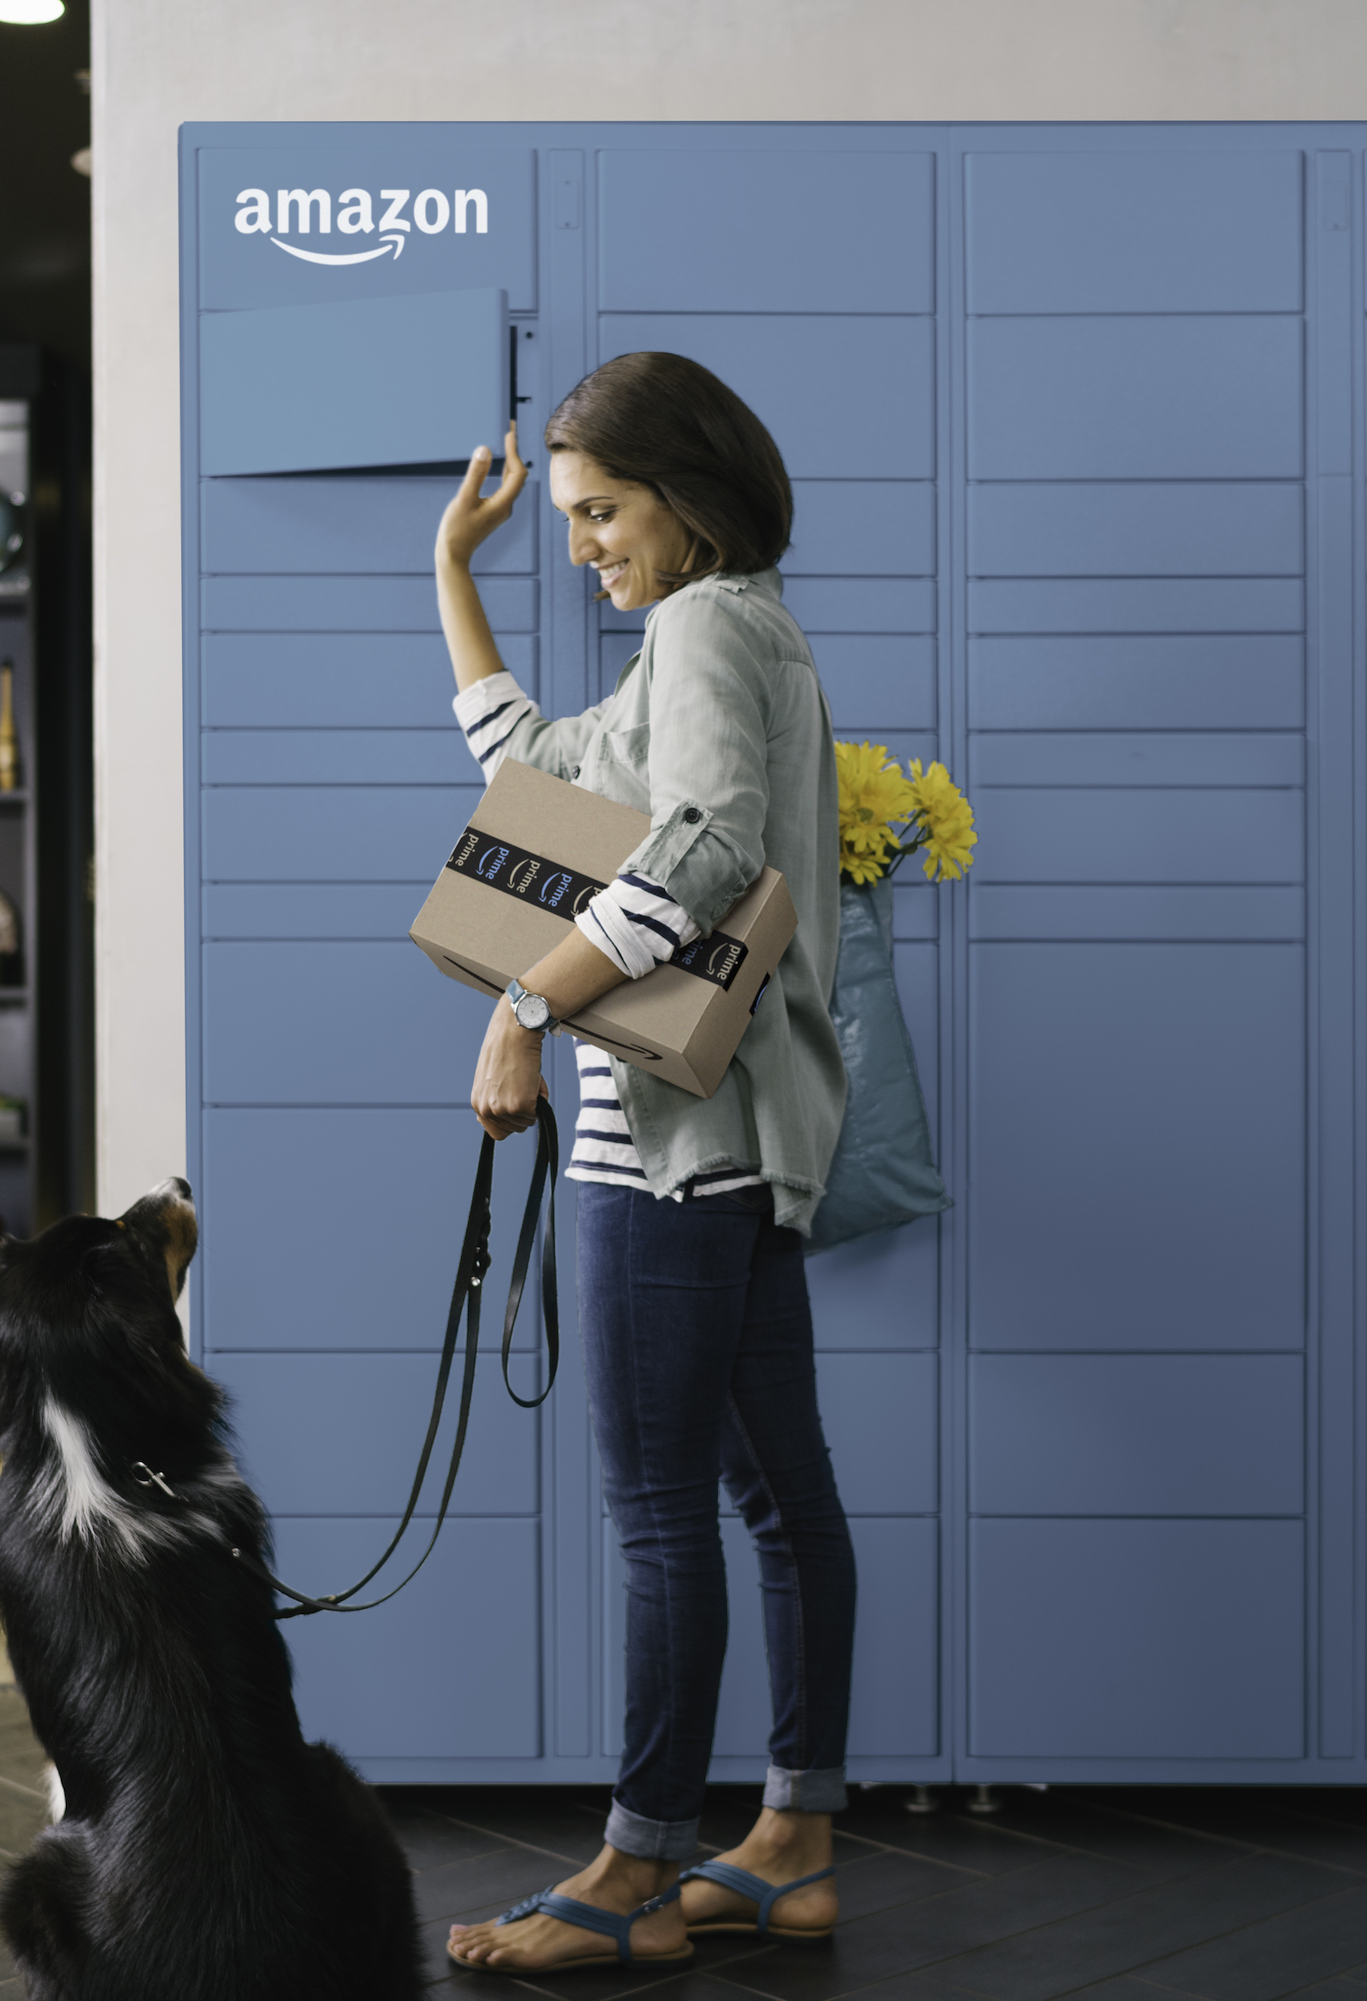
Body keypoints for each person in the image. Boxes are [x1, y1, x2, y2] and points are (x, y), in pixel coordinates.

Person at [432, 352, 854, 1975]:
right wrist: (453, 573)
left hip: (661, 1147)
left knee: (659, 1515)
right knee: (778, 1499)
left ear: (687, 494)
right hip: (738, 1145)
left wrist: (527, 1005)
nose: (583, 544)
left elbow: (704, 851)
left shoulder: (702, 630)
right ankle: (791, 1845)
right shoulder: (731, 635)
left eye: (603, 511)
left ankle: (633, 1871)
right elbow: (535, 772)